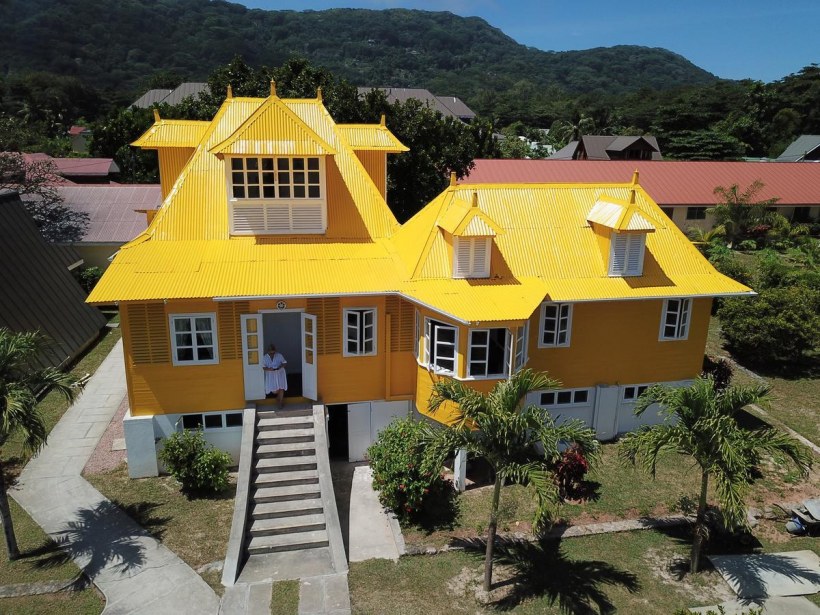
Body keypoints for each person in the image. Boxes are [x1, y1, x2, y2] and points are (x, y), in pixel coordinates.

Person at [262, 344, 287, 409]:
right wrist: (269, 369)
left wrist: (280, 367)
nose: (272, 354)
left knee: (281, 387)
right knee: (274, 390)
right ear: (268, 352)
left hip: (280, 373)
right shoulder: (265, 357)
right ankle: (278, 398)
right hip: (271, 375)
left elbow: (284, 363)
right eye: (271, 353)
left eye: (273, 352)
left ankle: (280, 402)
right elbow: (263, 367)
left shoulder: (279, 355)